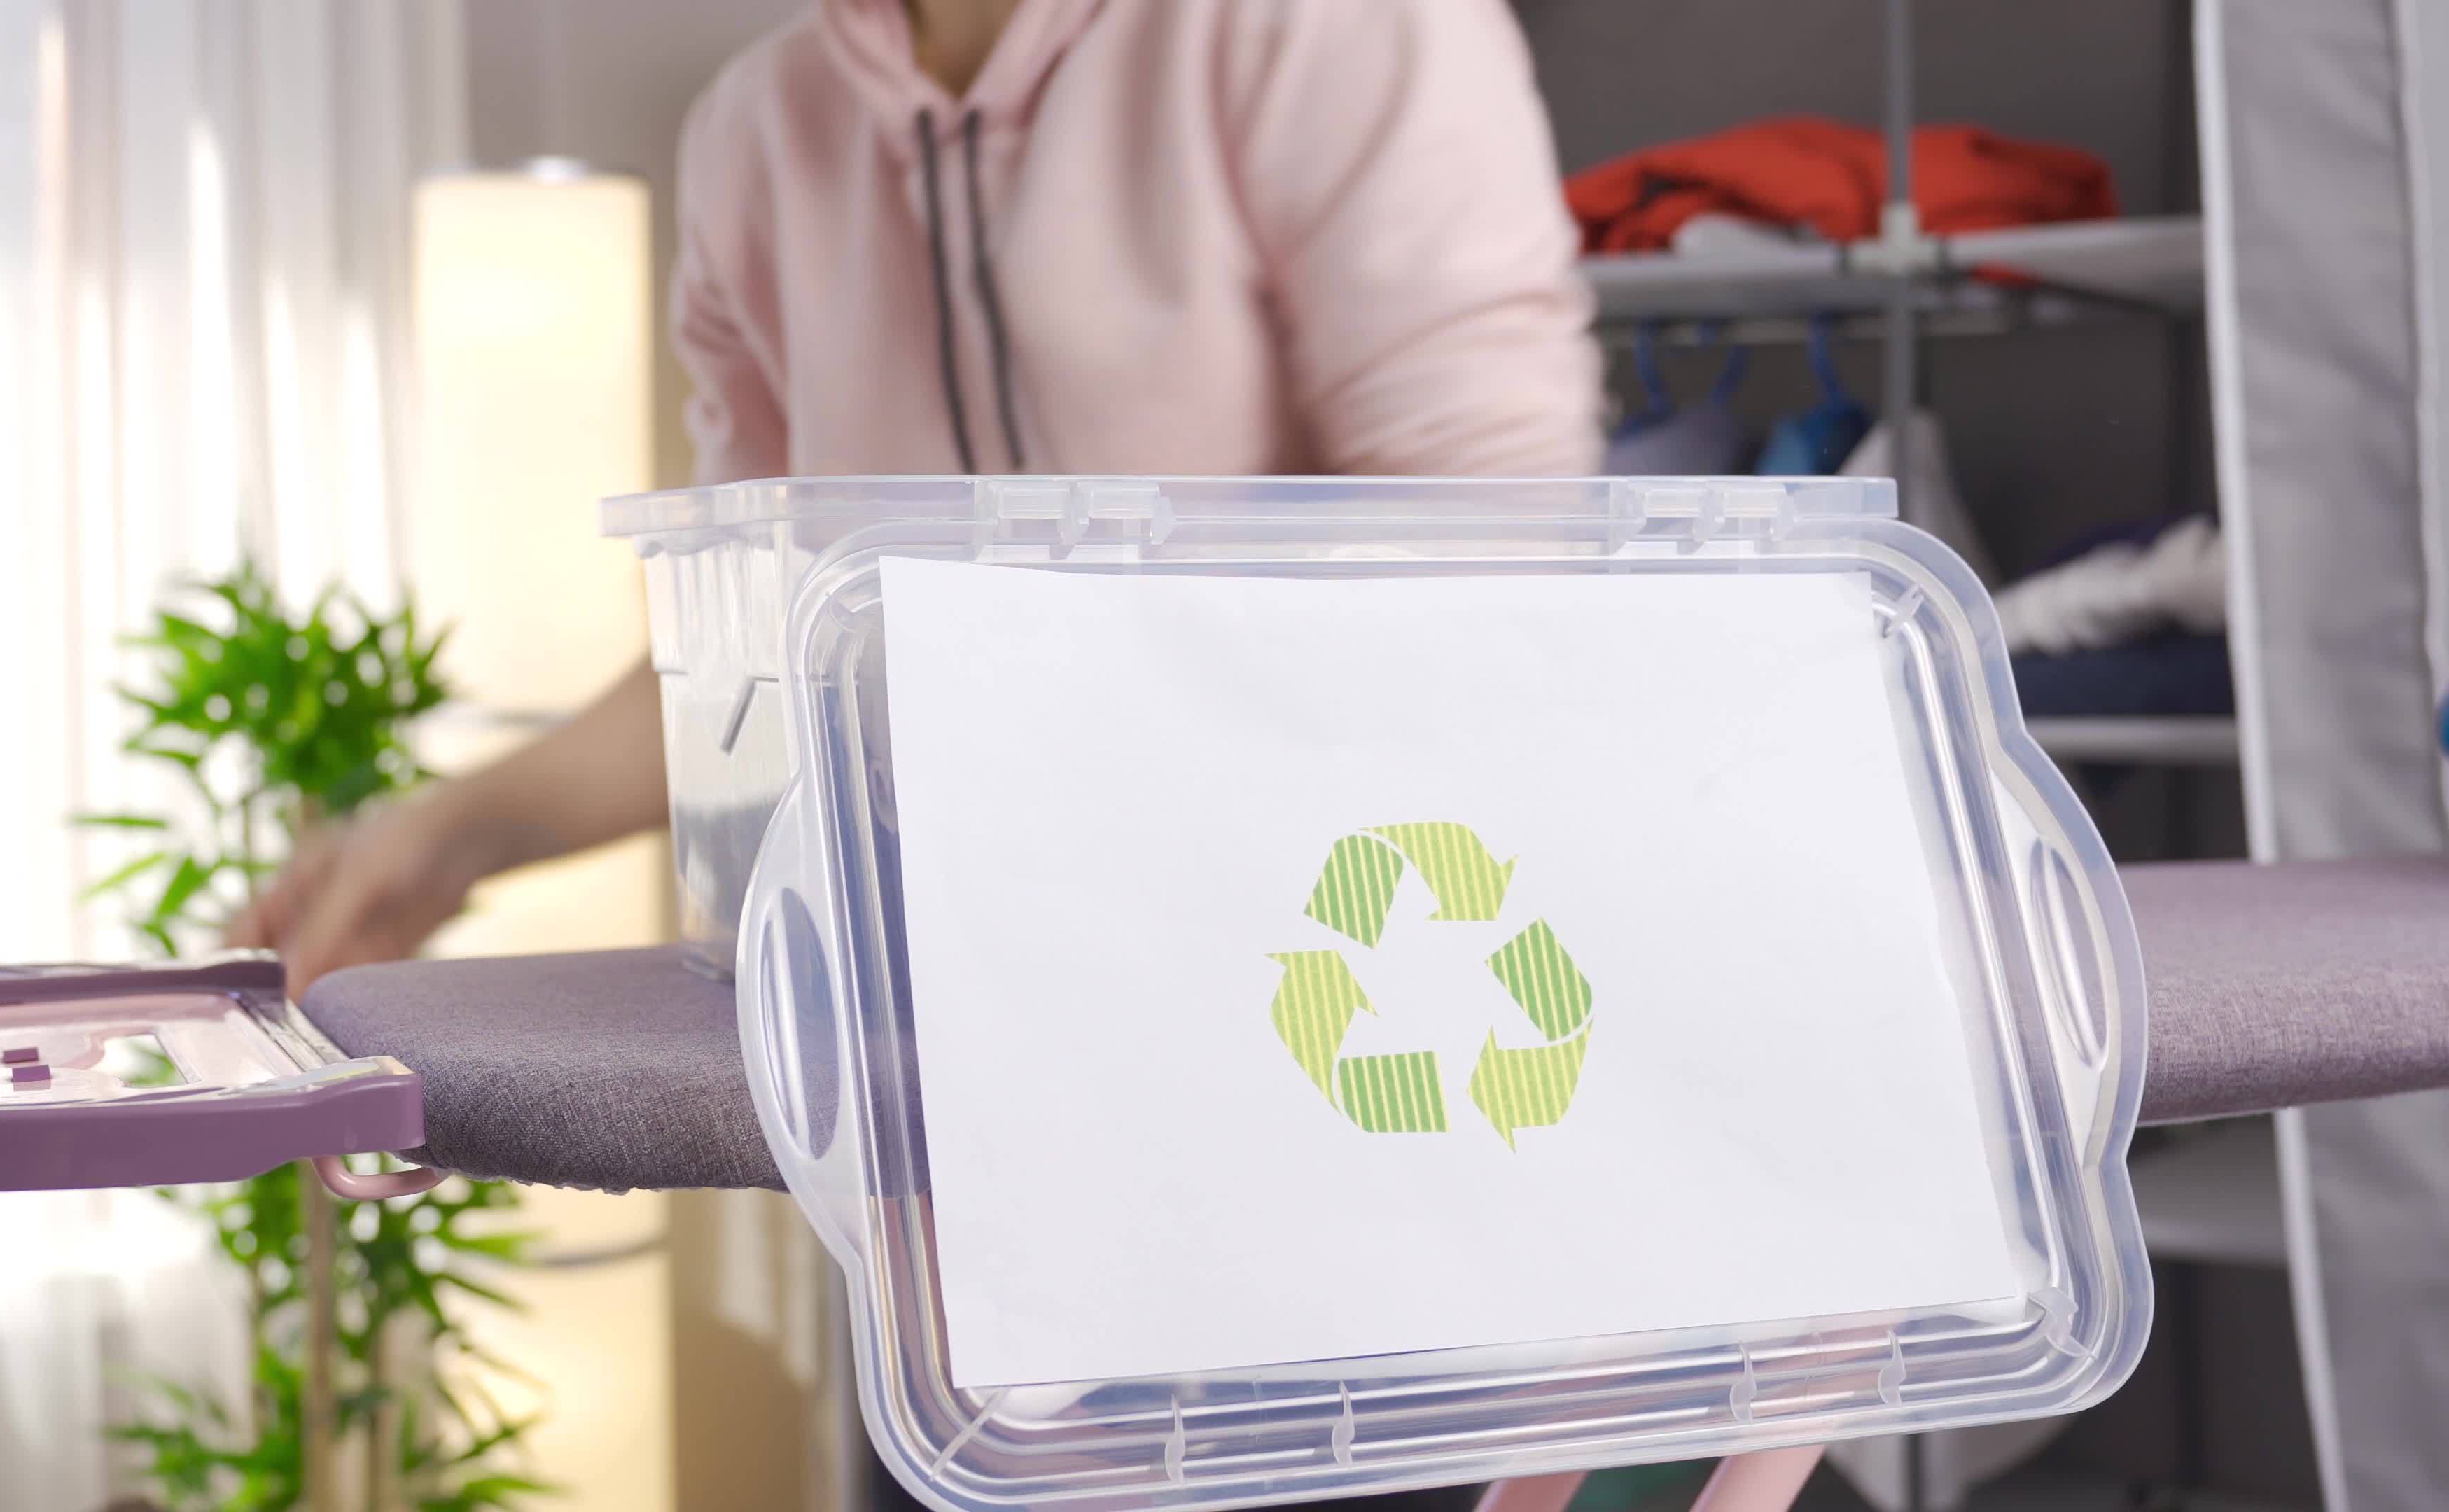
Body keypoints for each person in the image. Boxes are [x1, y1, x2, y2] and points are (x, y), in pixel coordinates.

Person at [232, 0, 1602, 992]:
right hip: (950, 1048)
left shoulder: (1323, 34)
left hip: (1354, 985)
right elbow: (755, 660)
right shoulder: (758, 142)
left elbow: (1494, 568)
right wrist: (436, 840)